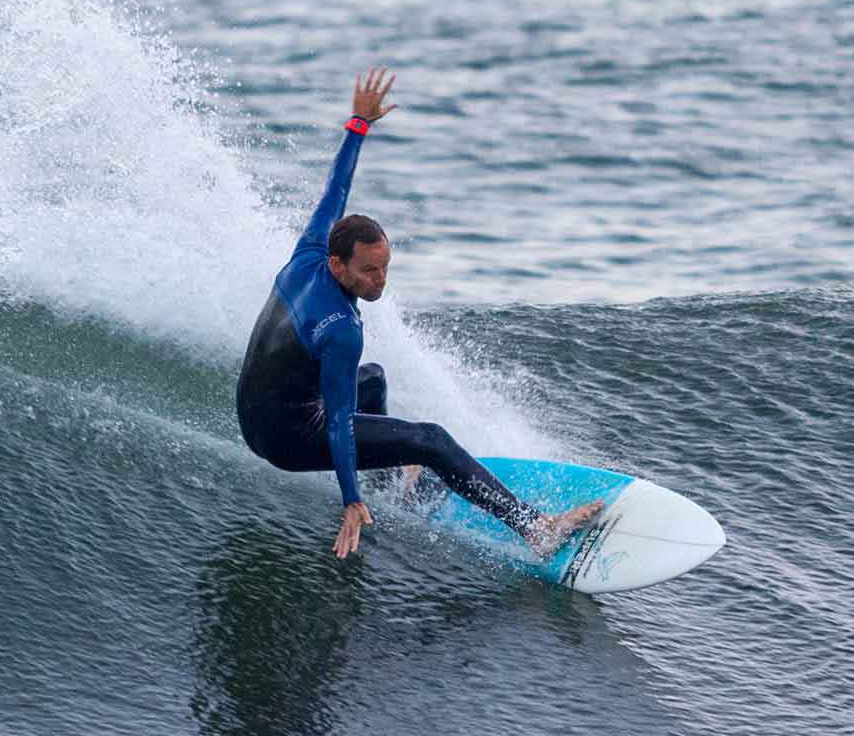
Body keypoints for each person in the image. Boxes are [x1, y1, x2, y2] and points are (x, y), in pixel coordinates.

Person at [237, 68, 603, 560]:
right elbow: (341, 422)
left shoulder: (310, 250)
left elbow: (335, 189)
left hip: (254, 416)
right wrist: (350, 500)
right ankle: (535, 528)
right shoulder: (340, 329)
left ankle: (391, 484)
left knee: (374, 381)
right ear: (338, 263)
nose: (379, 282)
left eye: (385, 267)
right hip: (286, 439)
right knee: (429, 439)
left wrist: (357, 125)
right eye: (368, 272)